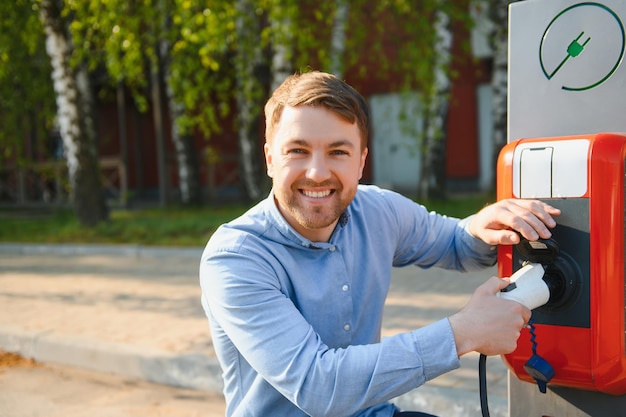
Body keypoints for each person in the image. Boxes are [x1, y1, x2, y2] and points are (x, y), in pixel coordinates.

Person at [199, 71, 560, 417]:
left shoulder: (377, 210)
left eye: (338, 152)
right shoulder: (235, 258)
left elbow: (455, 244)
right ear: (270, 159)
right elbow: (318, 386)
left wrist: (485, 226)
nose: (317, 172)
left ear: (361, 162)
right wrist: (463, 333)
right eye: (298, 150)